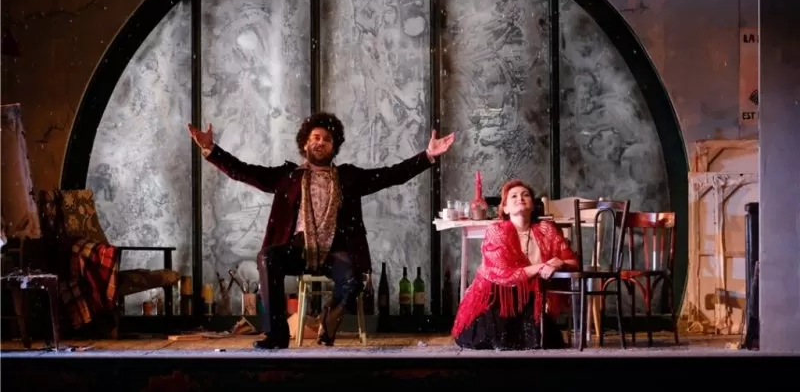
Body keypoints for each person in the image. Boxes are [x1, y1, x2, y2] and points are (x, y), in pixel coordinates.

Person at [188, 113, 455, 349]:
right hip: (297, 249)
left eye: (327, 139)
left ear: (334, 147)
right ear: (305, 143)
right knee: (268, 257)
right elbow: (244, 172)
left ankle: (328, 320)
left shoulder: (348, 177)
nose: (321, 142)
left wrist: (427, 156)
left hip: (334, 250)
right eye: (315, 137)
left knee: (353, 278)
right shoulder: (288, 176)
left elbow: (390, 175)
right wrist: (211, 149)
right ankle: (276, 335)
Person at [451, 179, 579, 350]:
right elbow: (503, 274)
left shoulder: (546, 230)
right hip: (496, 299)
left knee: (546, 341)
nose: (520, 198)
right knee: (492, 338)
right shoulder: (496, 231)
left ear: (533, 206)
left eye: (525, 195)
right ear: (505, 208)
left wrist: (559, 263)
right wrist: (541, 267)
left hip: (530, 300)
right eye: (514, 196)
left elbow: (573, 262)